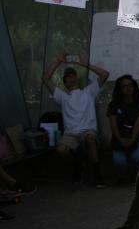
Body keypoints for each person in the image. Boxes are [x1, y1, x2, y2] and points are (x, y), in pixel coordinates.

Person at [42, 52, 109, 187]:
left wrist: (85, 64)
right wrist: (58, 60)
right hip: (70, 134)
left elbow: (105, 74)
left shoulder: (88, 91)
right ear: (65, 83)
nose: (71, 78)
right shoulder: (63, 97)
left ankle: (97, 175)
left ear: (78, 79)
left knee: (90, 138)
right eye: (68, 77)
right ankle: (78, 167)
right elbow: (45, 78)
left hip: (88, 131)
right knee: (61, 149)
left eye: (73, 75)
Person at [107, 75, 139, 183]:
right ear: (119, 89)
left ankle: (138, 178)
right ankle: (122, 177)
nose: (128, 88)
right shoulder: (113, 105)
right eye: (124, 86)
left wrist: (132, 139)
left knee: (138, 158)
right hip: (119, 138)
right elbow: (113, 125)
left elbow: (138, 124)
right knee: (119, 162)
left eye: (130, 86)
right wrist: (120, 139)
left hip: (137, 138)